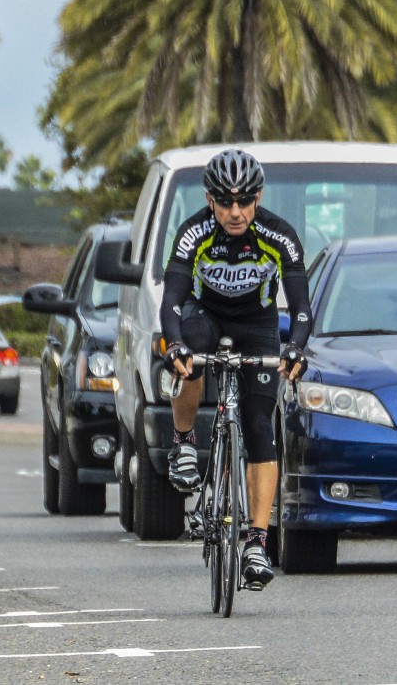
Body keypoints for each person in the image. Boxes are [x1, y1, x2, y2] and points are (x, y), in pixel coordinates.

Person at [160, 149, 311, 590]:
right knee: (191, 354)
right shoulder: (194, 234)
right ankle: (185, 442)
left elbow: (301, 307)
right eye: (225, 203)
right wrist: (175, 346)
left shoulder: (278, 235)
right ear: (210, 200)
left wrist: (296, 350)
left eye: (244, 202)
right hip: (204, 314)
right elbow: (171, 300)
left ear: (258, 197)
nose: (235, 212)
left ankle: (257, 544)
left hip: (257, 324)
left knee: (259, 424)